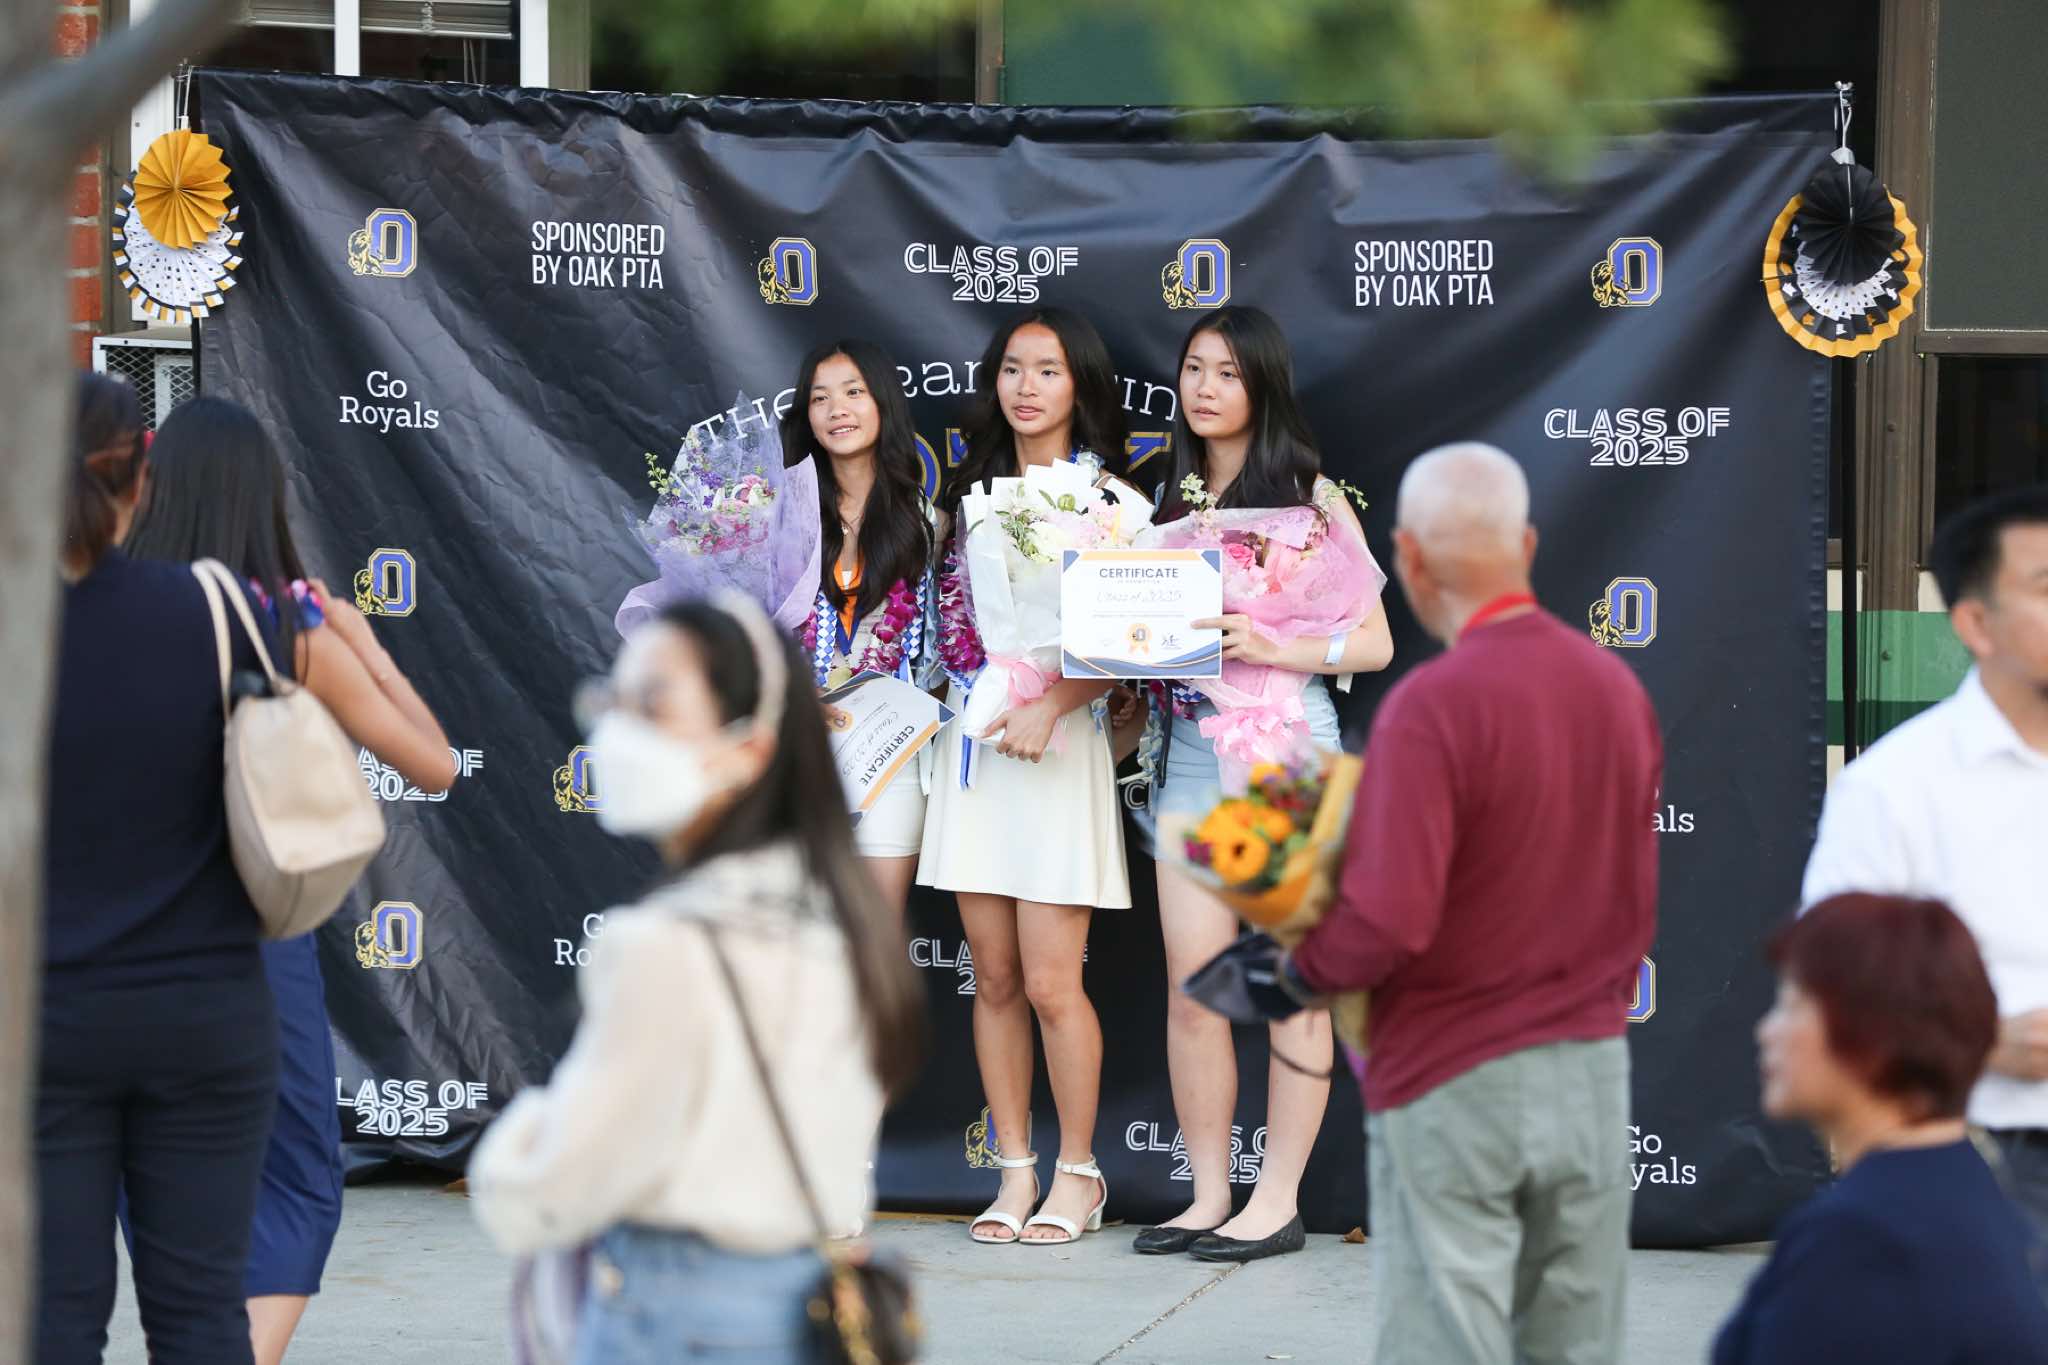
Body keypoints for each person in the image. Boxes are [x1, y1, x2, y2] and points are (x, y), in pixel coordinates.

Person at [466, 594, 924, 1364]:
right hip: (804, 1305)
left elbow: (552, 1188)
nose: (619, 732)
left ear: (748, 748)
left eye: (654, 705)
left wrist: (518, 1138)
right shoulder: (847, 924)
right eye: (611, 702)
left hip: (672, 1316)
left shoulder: (662, 943)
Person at [1279, 442, 1662, 1361]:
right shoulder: (1617, 689)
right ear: (1527, 544)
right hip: (1590, 1072)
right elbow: (1636, 896)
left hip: (1454, 1076)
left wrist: (1298, 963)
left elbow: (1388, 919)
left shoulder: (1432, 704)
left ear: (1407, 558)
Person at [123, 395, 459, 1365]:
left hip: (121, 946)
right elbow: (435, 764)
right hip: (250, 949)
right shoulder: (290, 627)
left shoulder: (104, 614)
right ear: (262, 499)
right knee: (297, 1178)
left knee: (152, 1176)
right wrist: (364, 645)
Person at [1134, 305, 1393, 1263]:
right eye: (1194, 368)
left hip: (1286, 749)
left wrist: (1278, 642)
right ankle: (1207, 1193)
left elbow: (1375, 642)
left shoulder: (1313, 503)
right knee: (1193, 990)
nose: (1205, 388)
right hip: (1193, 751)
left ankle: (1275, 1201)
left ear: (1264, 387)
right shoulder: (1163, 502)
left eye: (1228, 373)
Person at [38, 374, 279, 1363]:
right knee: (201, 1317)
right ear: (143, 474)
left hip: (43, 1018)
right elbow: (422, 754)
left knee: (50, 1321)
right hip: (205, 1013)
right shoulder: (223, 611)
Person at [920, 306, 1133, 1245]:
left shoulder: (1112, 503)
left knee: (1051, 981)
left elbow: (1140, 641)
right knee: (995, 976)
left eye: (1048, 369)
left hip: (1058, 743)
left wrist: (1057, 699)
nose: (1027, 386)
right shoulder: (964, 497)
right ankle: (1014, 1169)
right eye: (1013, 368)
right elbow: (942, 627)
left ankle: (1080, 1174)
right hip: (976, 745)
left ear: (1078, 385)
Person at [1802, 484, 2048, 1280]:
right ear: (1975, 623)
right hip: (1989, 1168)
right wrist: (1981, 1041)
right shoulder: (1896, 787)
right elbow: (1829, 997)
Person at [1713, 894, 2048, 1363]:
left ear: (1870, 1036)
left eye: (1792, 1006)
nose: (1766, 1031)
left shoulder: (1863, 1238)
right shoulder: (1970, 1195)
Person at [782, 339, 938, 918]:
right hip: (799, 752)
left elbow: (944, 654)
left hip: (887, 755)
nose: (837, 409)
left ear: (883, 405)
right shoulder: (782, 517)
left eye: (853, 392)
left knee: (873, 938)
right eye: (820, 398)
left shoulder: (927, 523)